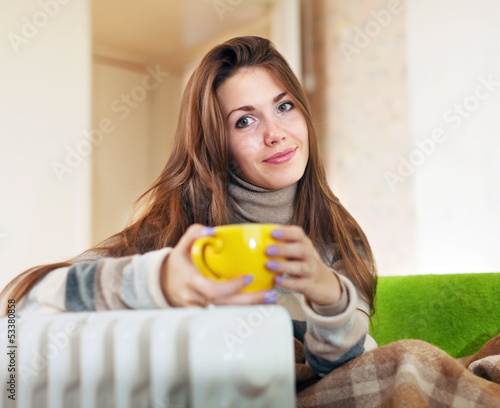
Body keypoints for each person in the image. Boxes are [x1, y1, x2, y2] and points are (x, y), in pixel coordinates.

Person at [1, 36, 378, 377]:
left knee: (408, 362)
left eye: (284, 106)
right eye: (244, 121)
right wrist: (159, 281)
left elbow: (344, 371)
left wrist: (331, 300)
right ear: (216, 143)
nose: (275, 133)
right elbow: (18, 304)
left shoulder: (340, 239)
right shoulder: (172, 234)